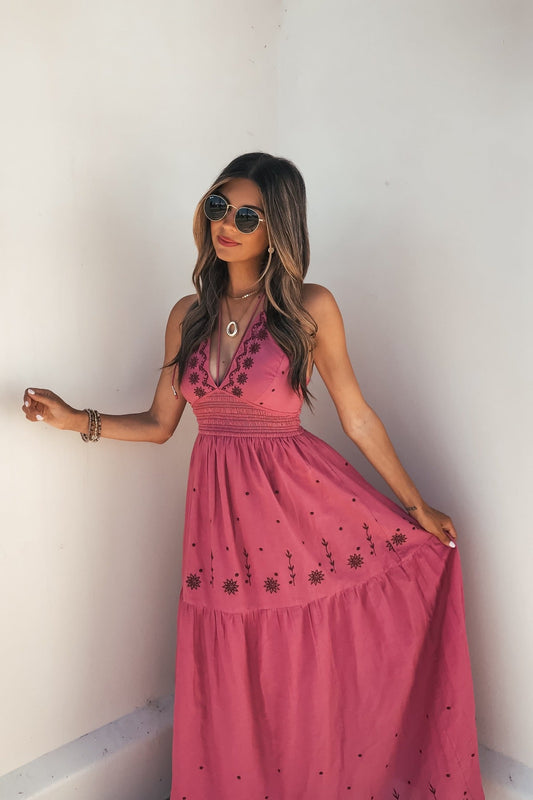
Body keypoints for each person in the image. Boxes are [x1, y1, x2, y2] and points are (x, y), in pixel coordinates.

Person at [22, 152, 485, 799]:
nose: (228, 224)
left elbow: (355, 416)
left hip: (296, 506)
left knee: (294, 661)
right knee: (235, 662)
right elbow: (161, 424)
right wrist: (79, 421)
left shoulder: (309, 307)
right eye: (219, 205)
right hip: (216, 519)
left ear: (278, 229)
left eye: (248, 215)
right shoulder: (187, 314)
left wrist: (414, 506)